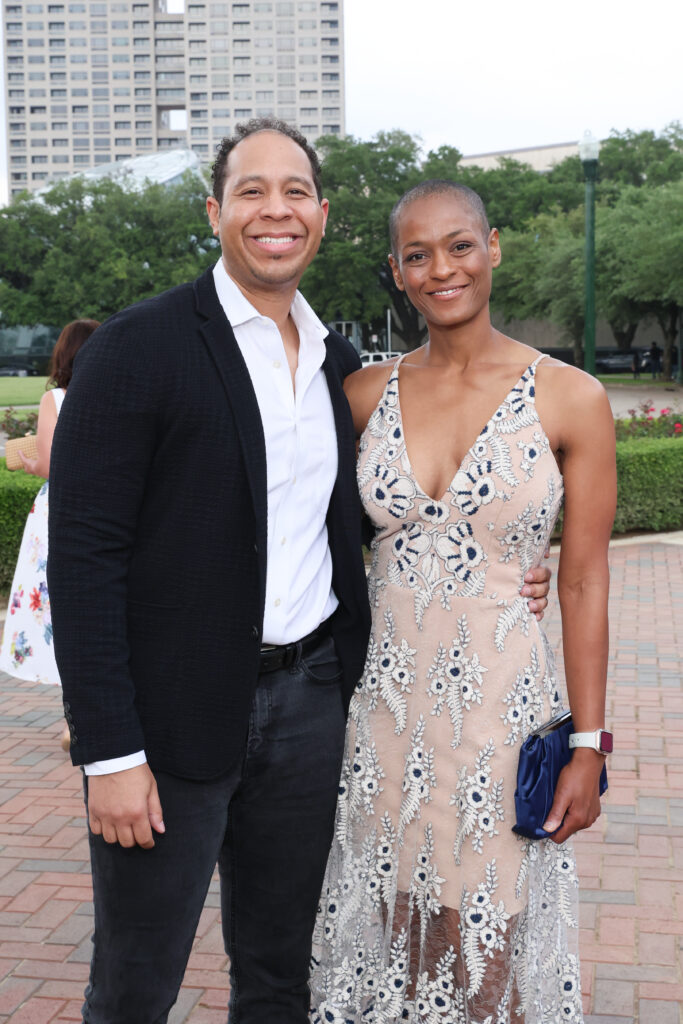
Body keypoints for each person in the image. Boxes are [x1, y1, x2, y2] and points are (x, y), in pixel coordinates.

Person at [46, 125, 552, 1024]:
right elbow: (83, 561)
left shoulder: (338, 368)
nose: (274, 210)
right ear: (216, 212)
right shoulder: (137, 349)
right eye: (250, 191)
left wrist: (502, 559)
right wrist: (108, 748)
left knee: (282, 975)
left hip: (312, 709)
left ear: (320, 214)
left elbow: (376, 517)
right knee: (135, 984)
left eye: (294, 192)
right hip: (170, 723)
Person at [310, 181, 616, 1023]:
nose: (441, 268)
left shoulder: (570, 397)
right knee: (402, 940)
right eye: (417, 254)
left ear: (492, 248)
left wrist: (588, 744)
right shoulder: (361, 395)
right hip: (384, 718)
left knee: (493, 958)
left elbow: (585, 579)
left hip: (500, 716)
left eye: (458, 246)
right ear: (396, 272)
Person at [0, 319, 100, 751]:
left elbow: (49, 464)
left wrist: (25, 460)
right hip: (109, 508)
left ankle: (74, 721)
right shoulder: (114, 394)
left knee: (59, 613)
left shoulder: (56, 398)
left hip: (60, 513)